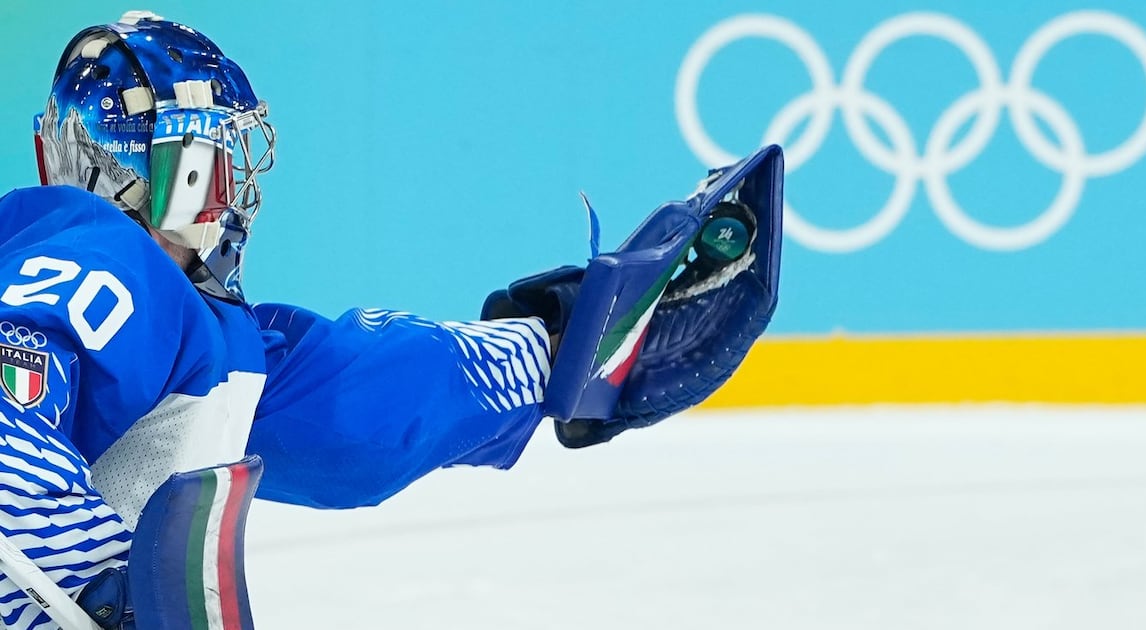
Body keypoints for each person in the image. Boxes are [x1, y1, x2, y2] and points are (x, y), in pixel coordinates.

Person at [2, 11, 779, 630]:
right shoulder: (101, 254)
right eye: (202, 171)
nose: (227, 201)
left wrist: (557, 349)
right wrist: (92, 578)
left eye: (228, 170)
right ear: (120, 174)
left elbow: (352, 404)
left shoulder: (198, 335)